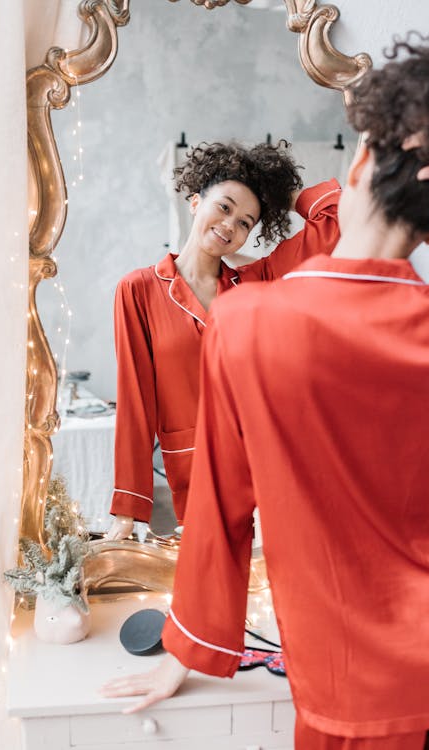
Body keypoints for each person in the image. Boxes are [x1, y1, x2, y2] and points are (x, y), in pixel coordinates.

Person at [101, 31, 429, 749]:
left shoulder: (250, 319)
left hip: (349, 686)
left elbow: (220, 518)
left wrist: (189, 647)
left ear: (357, 161)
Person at [106, 140, 341, 539]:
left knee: (279, 591)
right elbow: (136, 403)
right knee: (213, 591)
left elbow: (335, 224)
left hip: (274, 465)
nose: (231, 225)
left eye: (247, 222)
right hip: (195, 471)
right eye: (225, 207)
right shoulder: (139, 289)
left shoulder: (259, 281)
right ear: (195, 201)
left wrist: (281, 193)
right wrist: (128, 510)